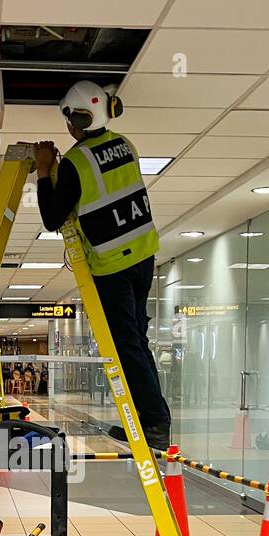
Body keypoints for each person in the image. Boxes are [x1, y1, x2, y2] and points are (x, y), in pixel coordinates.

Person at [34, 79, 171, 452]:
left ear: (75, 120)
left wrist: (45, 171)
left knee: (127, 344)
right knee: (136, 341)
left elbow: (51, 217)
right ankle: (153, 418)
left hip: (113, 264)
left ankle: (155, 425)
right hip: (143, 255)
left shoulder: (77, 162)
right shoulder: (126, 145)